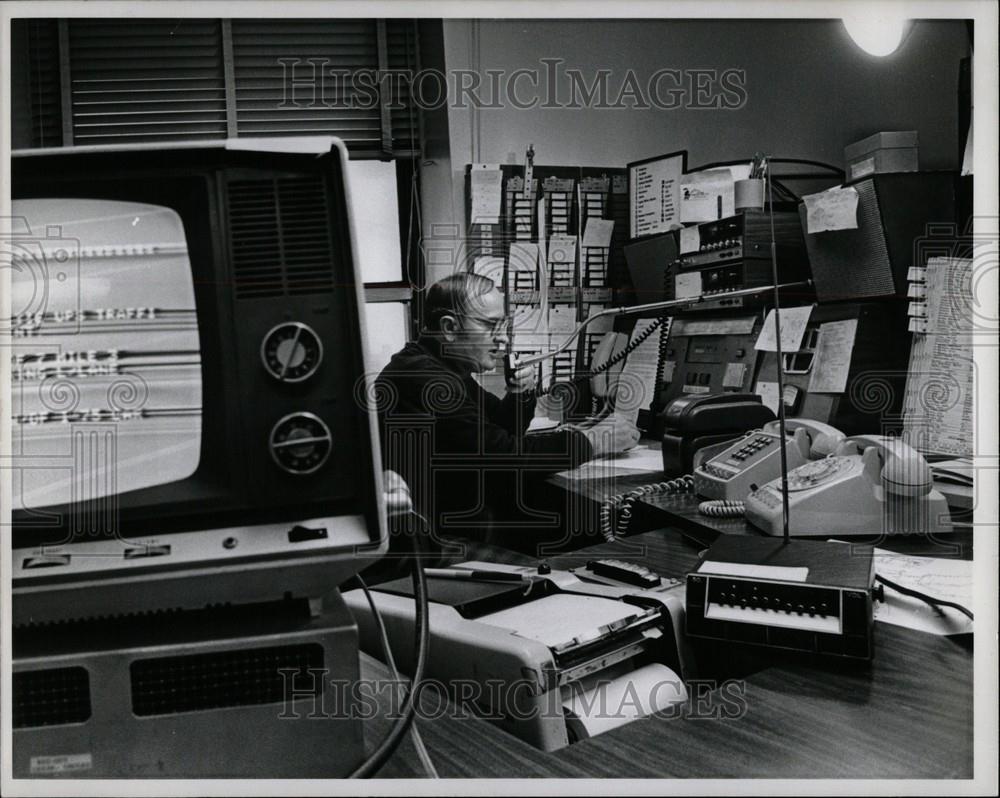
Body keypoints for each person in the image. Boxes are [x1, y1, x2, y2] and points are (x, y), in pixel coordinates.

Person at [373, 272, 639, 556]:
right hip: (431, 542)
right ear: (449, 328)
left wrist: (520, 394)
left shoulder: (441, 366)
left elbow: (497, 431)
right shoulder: (426, 379)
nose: (503, 338)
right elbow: (505, 456)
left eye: (504, 325)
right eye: (491, 326)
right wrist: (594, 441)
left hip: (454, 519)